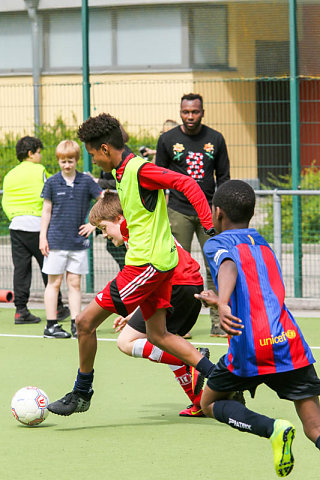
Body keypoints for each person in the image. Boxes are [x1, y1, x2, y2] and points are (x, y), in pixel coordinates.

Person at [47, 112, 216, 416]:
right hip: (157, 265)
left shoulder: (139, 170)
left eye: (92, 155)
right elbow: (142, 218)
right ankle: (218, 376)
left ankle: (81, 393)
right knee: (158, 335)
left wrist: (209, 225)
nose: (93, 162)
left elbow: (186, 183)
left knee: (84, 323)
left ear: (105, 150)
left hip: (146, 266)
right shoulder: (122, 172)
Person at [196, 180, 320, 477]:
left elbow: (228, 266)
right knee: (315, 427)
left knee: (208, 403)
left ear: (218, 213)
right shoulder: (262, 243)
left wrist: (222, 302)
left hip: (250, 347)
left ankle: (272, 428)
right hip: (290, 342)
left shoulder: (217, 242)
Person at [89, 191, 207, 417]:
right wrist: (133, 311)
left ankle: (196, 361)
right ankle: (200, 400)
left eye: (104, 228)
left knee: (126, 341)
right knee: (166, 342)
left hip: (174, 287)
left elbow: (149, 276)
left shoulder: (132, 232)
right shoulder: (147, 225)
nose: (104, 235)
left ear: (119, 219)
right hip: (191, 286)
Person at [156, 93, 230, 337]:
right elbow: (158, 176)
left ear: (202, 112)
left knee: (215, 265)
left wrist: (221, 212)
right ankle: (180, 324)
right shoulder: (167, 139)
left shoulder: (215, 139)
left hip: (209, 211)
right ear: (180, 112)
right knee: (177, 268)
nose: (190, 116)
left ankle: (220, 323)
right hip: (178, 210)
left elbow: (225, 178)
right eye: (186, 112)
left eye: (195, 112)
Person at [1, 136, 69, 324]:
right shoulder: (40, 171)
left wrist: (15, 216)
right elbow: (50, 195)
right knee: (49, 267)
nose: (40, 156)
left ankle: (20, 311)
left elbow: (5, 202)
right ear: (31, 153)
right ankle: (58, 308)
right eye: (39, 152)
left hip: (16, 226)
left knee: (21, 270)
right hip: (39, 227)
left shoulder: (9, 175)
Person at [39, 140, 102, 338]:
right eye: (63, 161)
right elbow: (46, 211)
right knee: (54, 283)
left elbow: (104, 201)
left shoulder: (86, 181)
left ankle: (77, 323)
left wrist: (94, 224)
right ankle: (51, 326)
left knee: (75, 283)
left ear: (77, 160)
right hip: (56, 241)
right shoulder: (51, 182)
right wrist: (43, 237)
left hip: (78, 242)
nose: (67, 165)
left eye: (71, 161)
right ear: (58, 161)